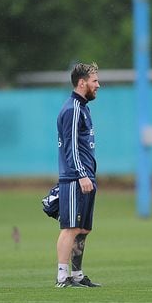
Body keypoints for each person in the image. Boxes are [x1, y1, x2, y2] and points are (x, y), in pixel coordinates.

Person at [55, 62, 102, 288]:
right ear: (82, 83)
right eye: (94, 81)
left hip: (86, 177)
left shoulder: (83, 107)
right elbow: (70, 146)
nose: (98, 85)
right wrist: (82, 174)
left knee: (83, 229)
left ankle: (77, 275)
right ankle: (62, 277)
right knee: (71, 227)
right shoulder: (73, 109)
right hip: (75, 178)